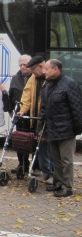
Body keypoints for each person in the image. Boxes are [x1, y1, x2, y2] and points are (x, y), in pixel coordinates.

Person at [41, 59, 82, 197]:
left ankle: (68, 187)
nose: (44, 71)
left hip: (66, 130)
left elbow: (77, 109)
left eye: (46, 69)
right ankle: (57, 183)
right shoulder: (47, 85)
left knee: (66, 160)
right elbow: (45, 108)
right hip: (52, 129)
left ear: (56, 69)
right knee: (55, 160)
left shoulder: (69, 84)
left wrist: (76, 129)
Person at [18, 56, 53, 184]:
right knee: (41, 146)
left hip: (49, 119)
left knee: (49, 148)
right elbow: (26, 96)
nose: (32, 72)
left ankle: (52, 173)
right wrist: (23, 109)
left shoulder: (49, 78)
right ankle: (46, 172)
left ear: (41, 66)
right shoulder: (32, 79)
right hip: (38, 118)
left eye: (33, 69)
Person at [8, 54, 32, 173]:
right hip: (19, 115)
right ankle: (22, 164)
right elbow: (11, 94)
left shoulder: (36, 78)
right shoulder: (16, 78)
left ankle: (35, 165)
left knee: (33, 141)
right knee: (20, 140)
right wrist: (11, 111)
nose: (22, 67)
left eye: (25, 65)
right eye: (20, 65)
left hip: (32, 116)